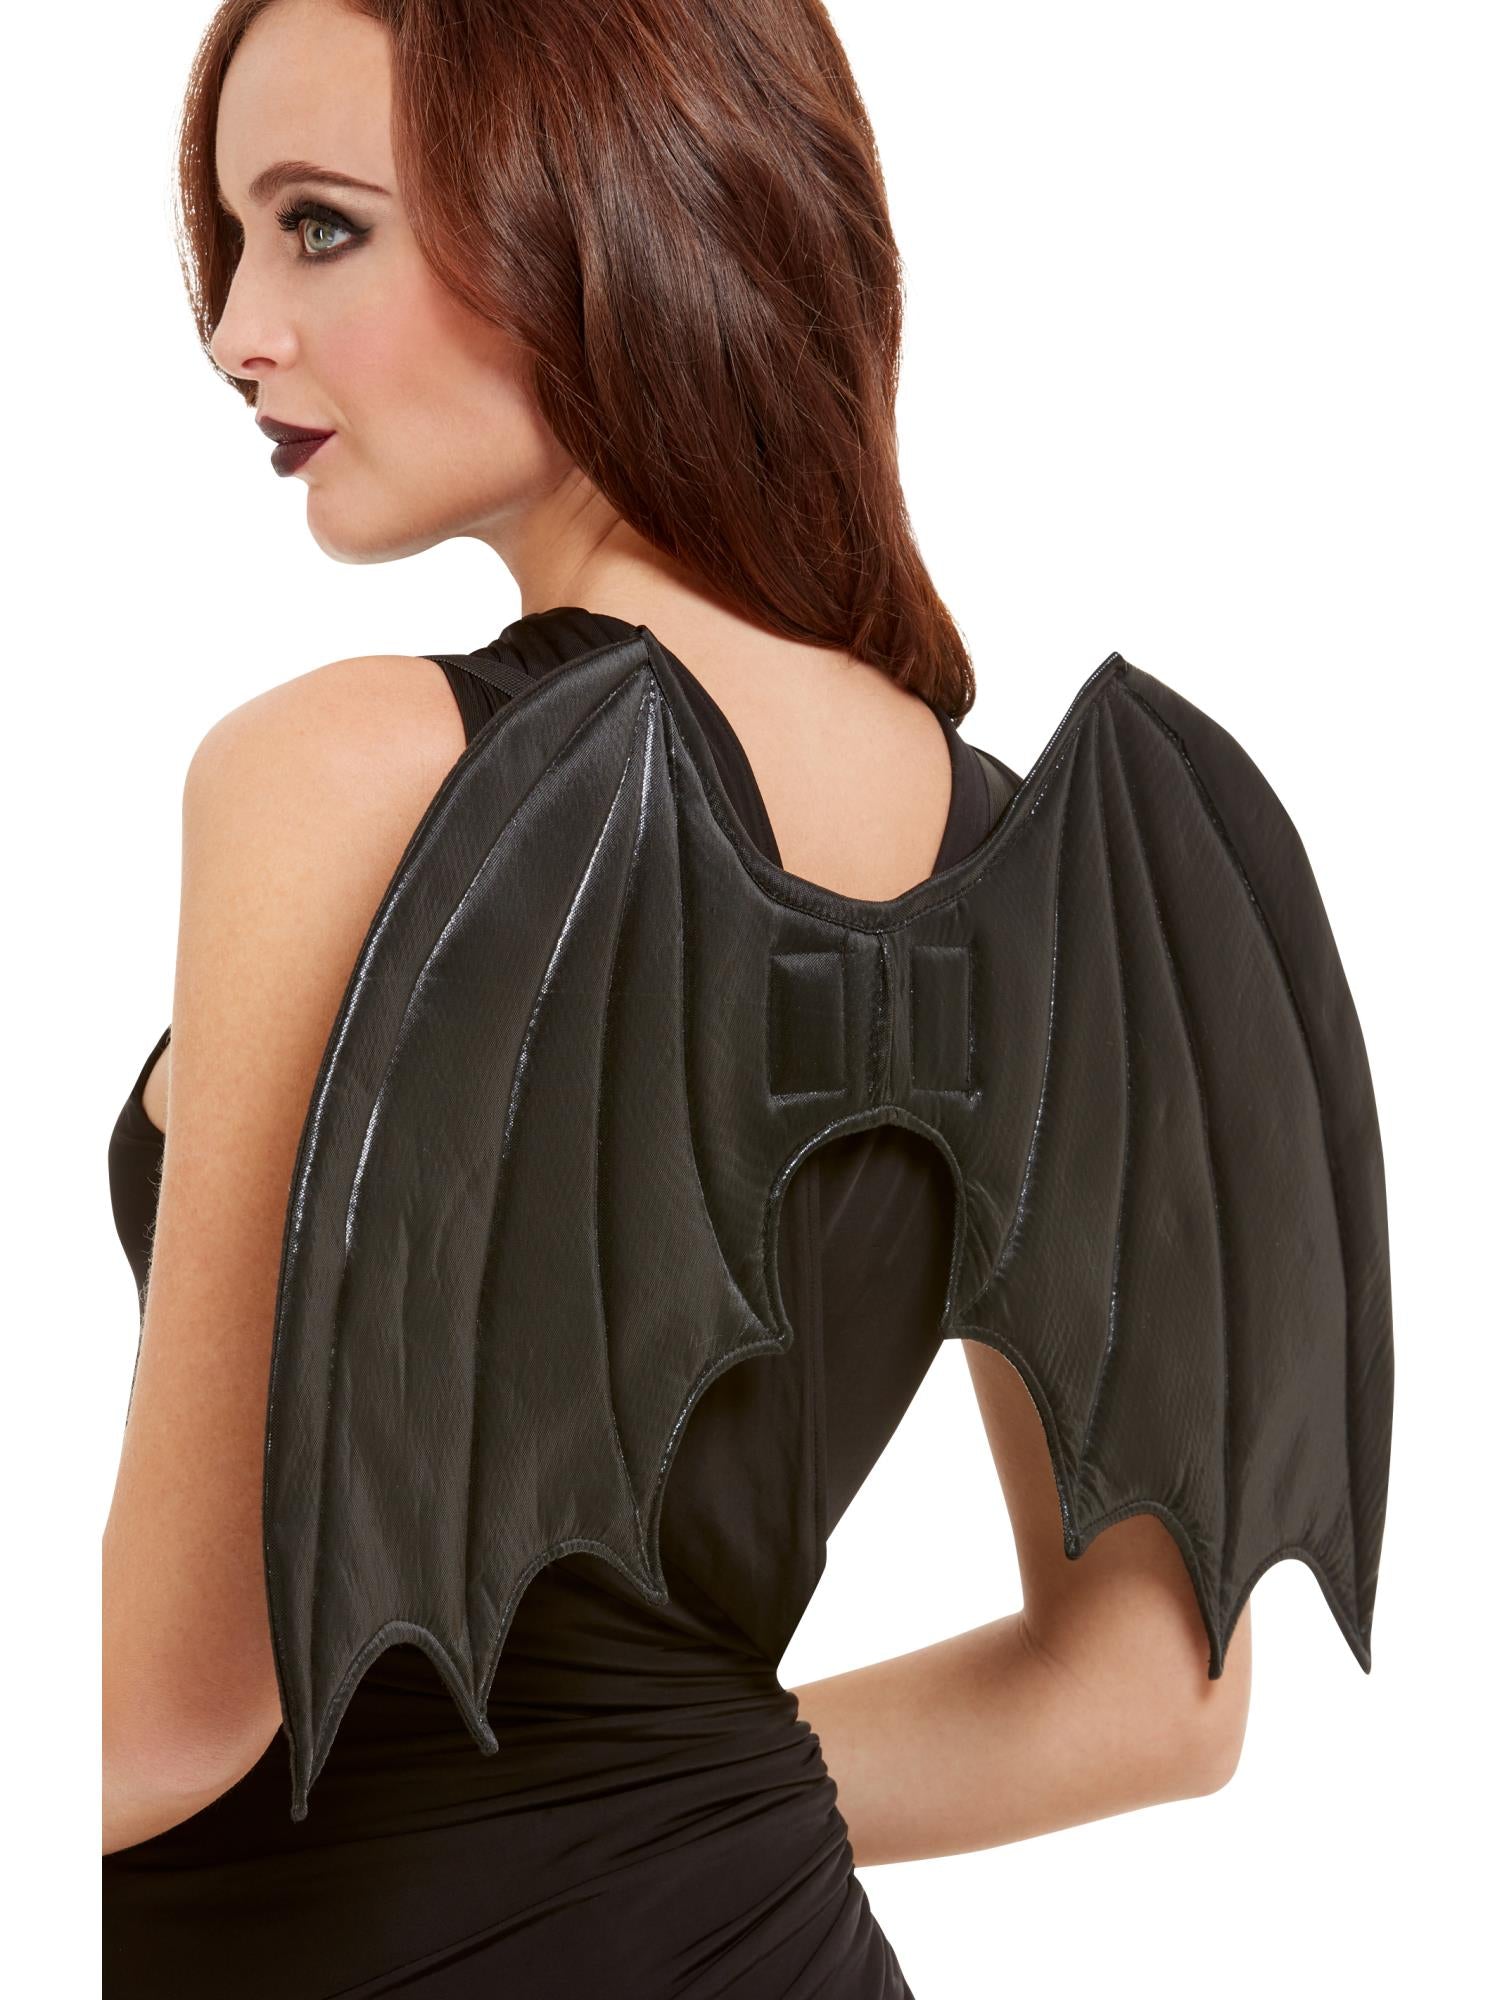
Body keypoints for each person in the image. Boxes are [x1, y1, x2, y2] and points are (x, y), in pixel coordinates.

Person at [102, 1, 1254, 1991]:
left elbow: (165, 1712)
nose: (234, 334)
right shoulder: (1065, 880)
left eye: (319, 227)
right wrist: (640, 1797)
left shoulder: (351, 775)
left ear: (604, 214)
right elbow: (1154, 1694)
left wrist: (541, 1807)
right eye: (235, 240)